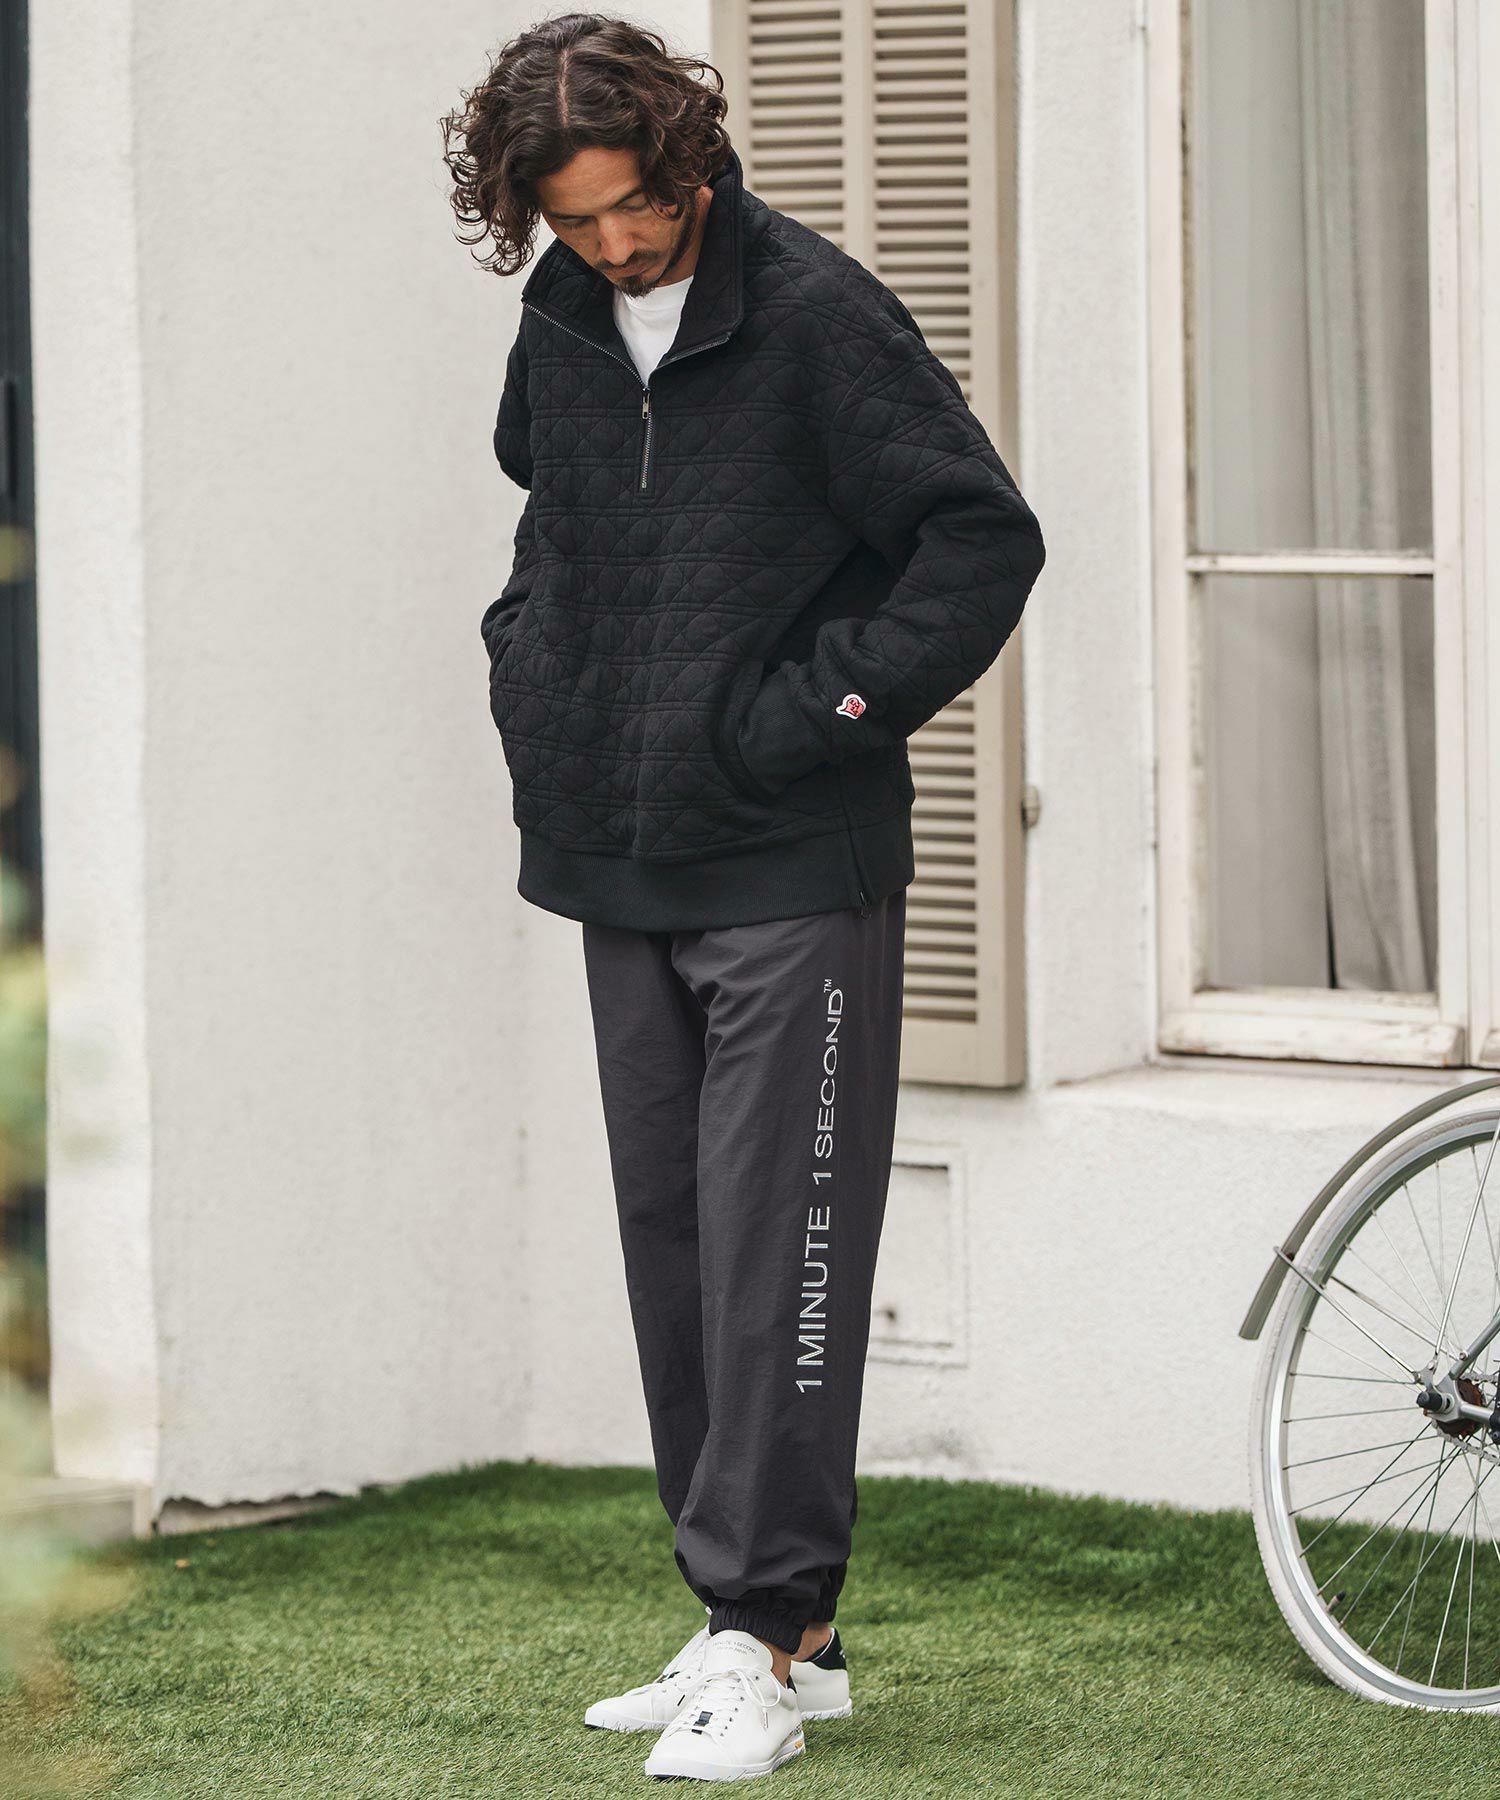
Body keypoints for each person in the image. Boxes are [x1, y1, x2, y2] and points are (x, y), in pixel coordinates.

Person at [442, 11, 1045, 1784]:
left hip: (789, 853)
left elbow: (978, 538)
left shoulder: (814, 312)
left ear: (683, 156)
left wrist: (819, 714)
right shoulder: (561, 317)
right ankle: (779, 1633)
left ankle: (757, 1630)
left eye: (628, 206)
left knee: (783, 1237)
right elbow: (554, 515)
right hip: (619, 847)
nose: (611, 244)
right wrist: (531, 670)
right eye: (571, 220)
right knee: (678, 1241)